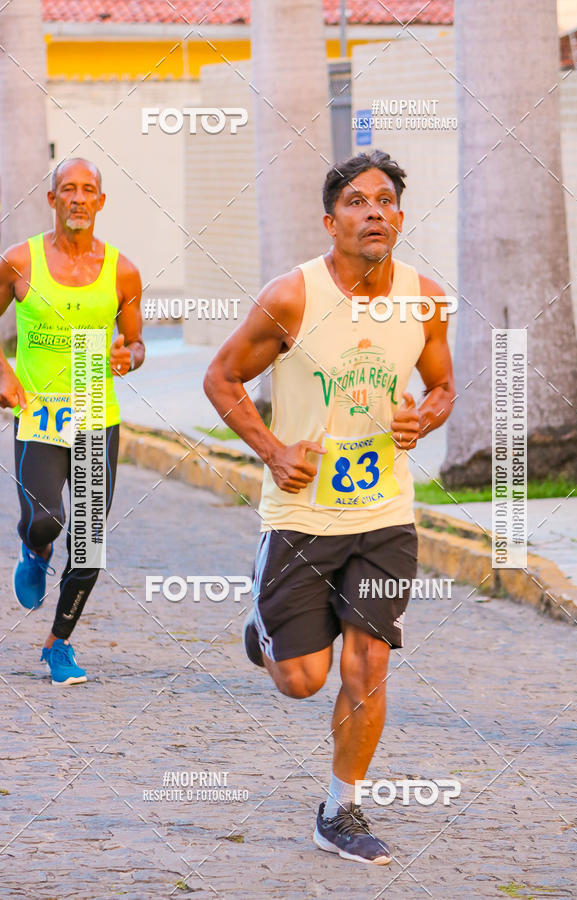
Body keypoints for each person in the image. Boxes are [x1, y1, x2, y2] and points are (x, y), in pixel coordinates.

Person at [204, 150, 454, 864]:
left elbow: (442, 386)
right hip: (302, 516)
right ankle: (264, 625)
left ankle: (340, 811)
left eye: (385, 201)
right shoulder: (292, 297)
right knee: (301, 680)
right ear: (330, 220)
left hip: (384, 515)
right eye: (356, 201)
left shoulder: (425, 299)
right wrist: (271, 450)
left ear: (399, 216)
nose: (374, 211)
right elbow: (221, 376)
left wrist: (424, 417)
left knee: (368, 664)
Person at [0, 157, 144, 686]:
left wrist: (129, 356)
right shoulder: (20, 261)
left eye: (88, 190)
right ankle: (34, 549)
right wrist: (4, 373)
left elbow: (136, 343)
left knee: (87, 545)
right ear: (53, 199)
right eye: (68, 189)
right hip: (39, 415)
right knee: (46, 520)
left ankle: (58, 644)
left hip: (95, 417)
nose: (78, 198)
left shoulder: (123, 272)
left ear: (101, 202)